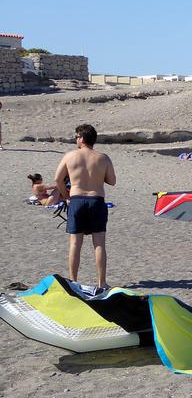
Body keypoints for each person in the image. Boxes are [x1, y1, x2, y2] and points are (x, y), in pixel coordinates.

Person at [54, 124, 116, 291]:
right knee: (99, 244)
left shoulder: (70, 156)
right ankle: (102, 283)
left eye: (76, 137)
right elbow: (112, 180)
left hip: (77, 200)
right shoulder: (103, 158)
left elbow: (57, 179)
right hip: (96, 200)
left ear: (81, 138)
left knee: (75, 243)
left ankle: (73, 281)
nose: (76, 139)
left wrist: (66, 196)